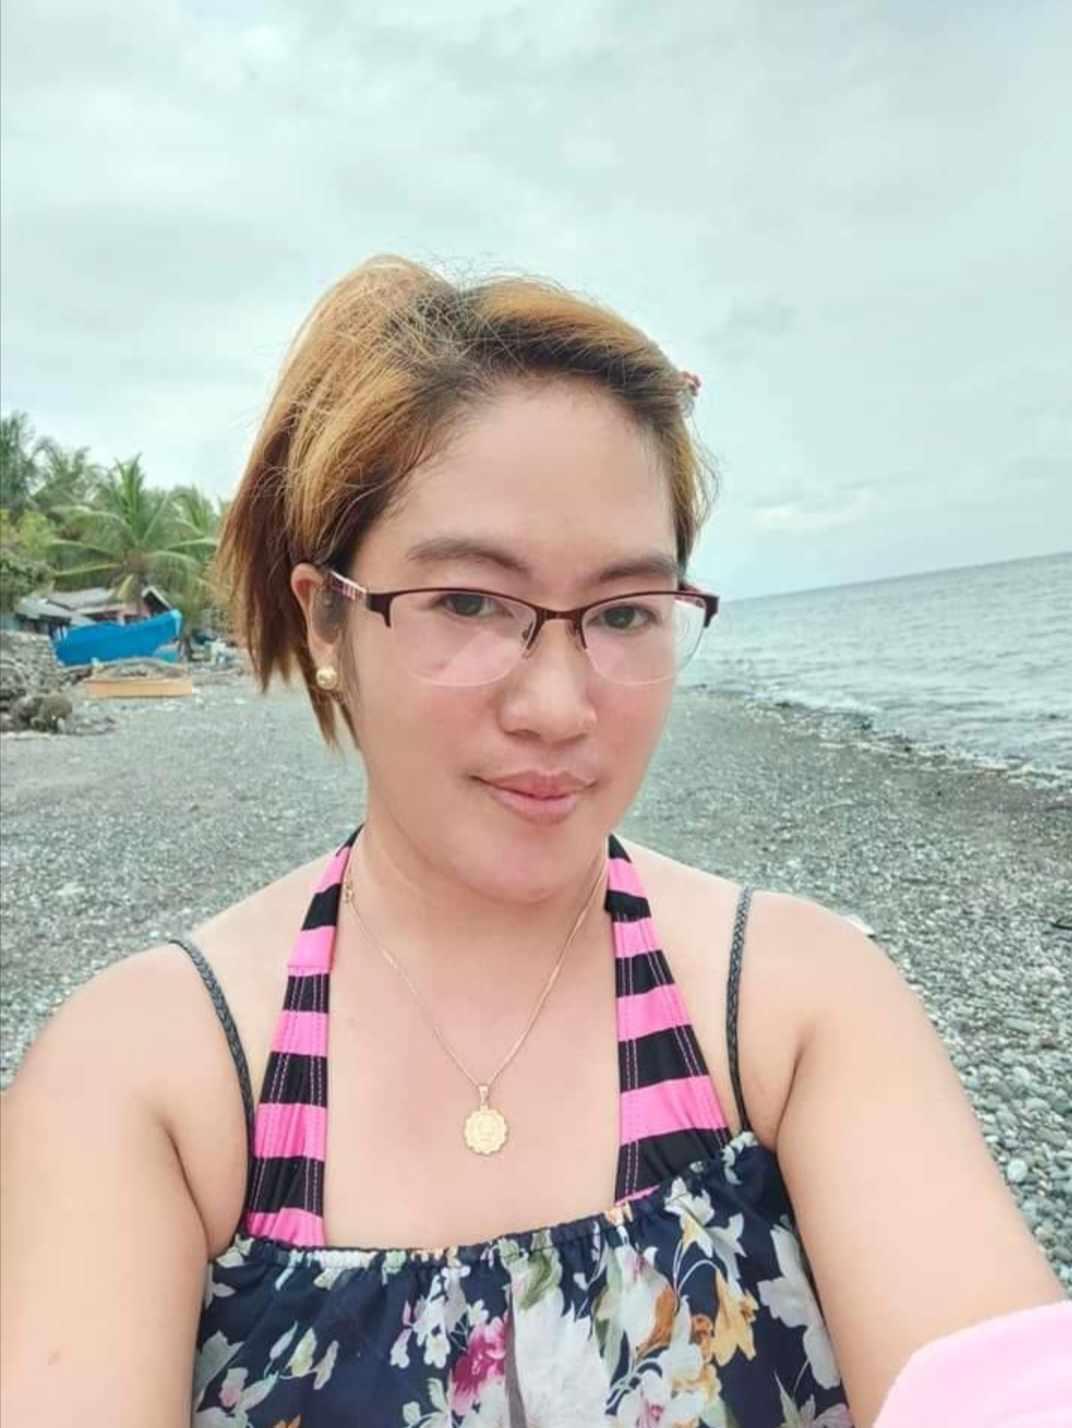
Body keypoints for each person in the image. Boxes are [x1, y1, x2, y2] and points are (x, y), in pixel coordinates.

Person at [1, 257, 1065, 1427]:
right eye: (468, 601)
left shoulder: (795, 1009)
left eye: (623, 613)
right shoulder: (151, 1079)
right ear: (326, 618)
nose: (559, 707)